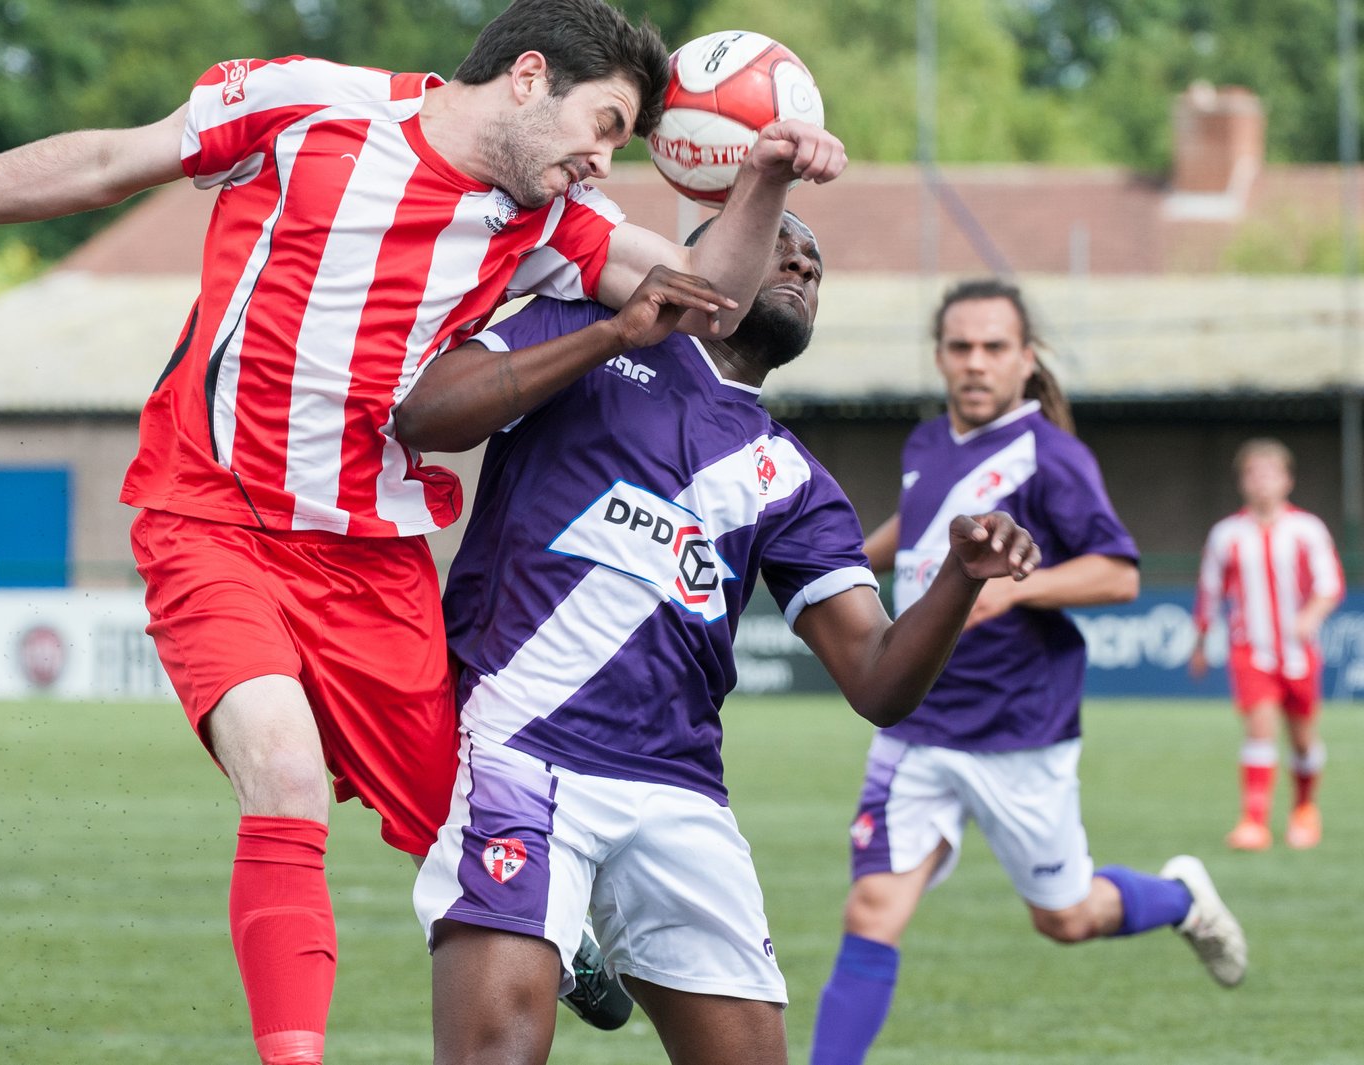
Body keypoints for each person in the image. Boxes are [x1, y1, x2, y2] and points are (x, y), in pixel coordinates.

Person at [0, 2, 847, 1061]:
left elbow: (712, 303)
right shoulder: (308, 104)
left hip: (370, 560)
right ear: (529, 77)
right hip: (210, 516)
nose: (604, 162)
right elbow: (110, 161)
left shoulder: (551, 223)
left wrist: (765, 176)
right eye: (604, 126)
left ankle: (560, 943)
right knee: (285, 775)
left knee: (467, 821)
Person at [392, 215, 1040, 1065]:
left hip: (680, 790)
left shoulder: (794, 478)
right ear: (705, 259)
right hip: (522, 751)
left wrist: (960, 575)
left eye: (816, 263)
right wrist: (615, 331)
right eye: (782, 243)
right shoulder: (584, 327)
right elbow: (424, 414)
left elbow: (879, 679)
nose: (803, 262)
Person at [807, 278, 1248, 1065]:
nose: (975, 362)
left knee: (1066, 918)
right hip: (917, 723)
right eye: (960, 346)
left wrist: (1012, 592)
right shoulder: (926, 442)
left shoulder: (1052, 456)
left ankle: (1180, 896)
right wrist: (840, 560)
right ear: (939, 356)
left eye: (994, 347)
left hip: (1018, 730)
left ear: (1025, 358)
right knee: (872, 908)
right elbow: (919, 523)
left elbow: (1118, 574)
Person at [1189, 438, 1345, 851]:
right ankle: (1253, 822)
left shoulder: (1307, 529)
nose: (1261, 481)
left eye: (1270, 473)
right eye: (1253, 473)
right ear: (1242, 482)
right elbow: (1209, 592)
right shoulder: (1226, 535)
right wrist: (1201, 641)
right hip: (1251, 650)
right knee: (1259, 729)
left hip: (1298, 654)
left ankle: (1304, 809)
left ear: (1288, 480)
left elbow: (1330, 584)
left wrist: (1309, 616)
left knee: (1302, 739)